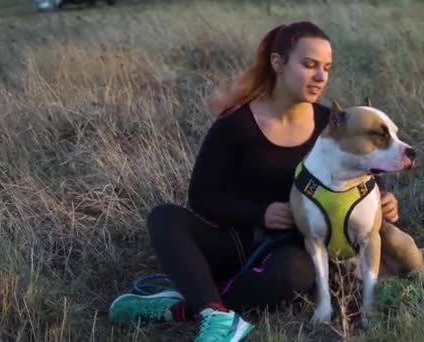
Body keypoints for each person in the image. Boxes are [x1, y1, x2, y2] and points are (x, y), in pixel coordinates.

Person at [108, 21, 401, 341]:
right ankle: (215, 312)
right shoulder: (235, 125)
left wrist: (380, 198)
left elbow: (363, 167)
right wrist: (259, 214)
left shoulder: (329, 124)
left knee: (296, 272)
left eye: (327, 68)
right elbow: (201, 196)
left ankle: (196, 305)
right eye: (309, 65)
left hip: (295, 250)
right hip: (238, 241)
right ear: (278, 63)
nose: (320, 77)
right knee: (164, 217)